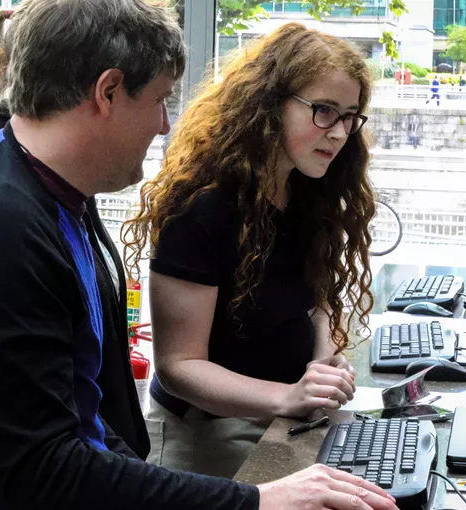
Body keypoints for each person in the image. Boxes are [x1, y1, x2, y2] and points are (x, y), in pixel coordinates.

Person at [0, 1, 397, 509]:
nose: (166, 124)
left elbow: (72, 410)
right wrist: (256, 499)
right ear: (108, 91)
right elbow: (44, 469)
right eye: (160, 98)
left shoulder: (40, 186)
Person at [122, 23, 375, 478]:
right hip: (204, 437)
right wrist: (288, 397)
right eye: (324, 111)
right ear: (270, 106)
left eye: (351, 115)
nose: (340, 133)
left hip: (282, 424)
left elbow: (315, 297)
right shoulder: (202, 208)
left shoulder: (308, 191)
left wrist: (321, 364)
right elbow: (179, 366)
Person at [0, 7, 152, 458]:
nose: (163, 123)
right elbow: (41, 444)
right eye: (157, 99)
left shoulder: (55, 177)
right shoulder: (3, 204)